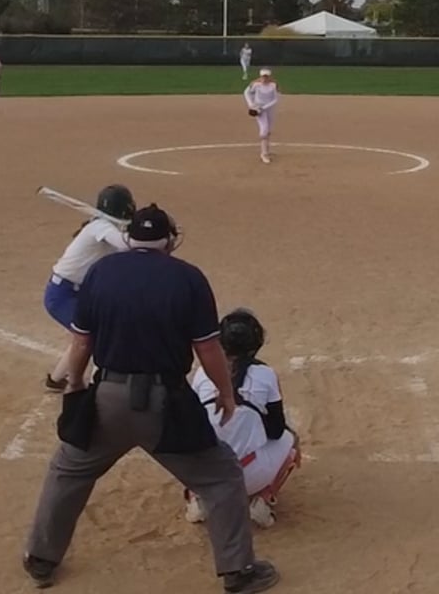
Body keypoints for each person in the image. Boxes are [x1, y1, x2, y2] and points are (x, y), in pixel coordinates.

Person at [21, 204, 280, 594]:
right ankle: (238, 571)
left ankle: (41, 559)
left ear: (128, 238)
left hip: (107, 399)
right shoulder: (188, 277)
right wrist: (226, 393)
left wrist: (74, 383)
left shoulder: (101, 272)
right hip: (166, 405)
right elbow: (208, 349)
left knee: (67, 471)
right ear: (169, 241)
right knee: (221, 477)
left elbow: (81, 343)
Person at [187, 308, 301, 530]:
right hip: (247, 476)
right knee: (291, 440)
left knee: (190, 445)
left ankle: (196, 497)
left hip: (204, 474)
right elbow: (276, 430)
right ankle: (263, 500)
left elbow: (192, 420)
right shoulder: (265, 374)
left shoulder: (202, 373)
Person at [40, 185, 139, 392]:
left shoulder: (105, 227)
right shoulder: (101, 227)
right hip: (62, 294)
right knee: (94, 336)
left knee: (89, 334)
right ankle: (97, 385)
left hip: (79, 293)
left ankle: (57, 379)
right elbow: (126, 245)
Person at [244, 69, 280, 165]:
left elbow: (275, 99)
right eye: (263, 76)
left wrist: (263, 108)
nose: (264, 78)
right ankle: (264, 154)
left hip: (269, 109)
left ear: (269, 77)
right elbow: (246, 92)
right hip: (259, 110)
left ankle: (266, 149)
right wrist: (251, 105)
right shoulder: (256, 85)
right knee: (264, 130)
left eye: (266, 76)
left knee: (269, 130)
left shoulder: (273, 86)